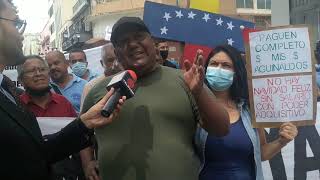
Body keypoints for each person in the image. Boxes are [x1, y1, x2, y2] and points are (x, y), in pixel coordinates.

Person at [81, 16, 229, 180]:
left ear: (153, 43)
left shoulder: (187, 80)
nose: (132, 44)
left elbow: (221, 129)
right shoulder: (99, 91)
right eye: (123, 41)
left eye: (139, 37)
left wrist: (199, 93)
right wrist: (88, 162)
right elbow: (83, 133)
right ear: (116, 53)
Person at [0, 1, 125, 179]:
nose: (22, 34)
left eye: (42, 69)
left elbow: (36, 154)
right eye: (15, 23)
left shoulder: (8, 91)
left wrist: (85, 123)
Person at [195, 45, 298, 180]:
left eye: (226, 66)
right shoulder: (193, 106)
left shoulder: (249, 109)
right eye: (214, 64)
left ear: (237, 72)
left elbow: (261, 152)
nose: (218, 69)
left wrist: (281, 142)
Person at [18, 55, 88, 180]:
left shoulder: (63, 103)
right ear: (21, 80)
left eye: (42, 69)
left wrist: (88, 164)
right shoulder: (16, 107)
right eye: (31, 71)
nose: (38, 74)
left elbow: (79, 137)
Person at [79, 43, 123, 180]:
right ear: (101, 62)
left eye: (118, 58)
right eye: (110, 60)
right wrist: (88, 162)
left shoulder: (131, 80)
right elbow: (83, 128)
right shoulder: (92, 87)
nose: (115, 64)